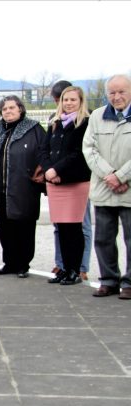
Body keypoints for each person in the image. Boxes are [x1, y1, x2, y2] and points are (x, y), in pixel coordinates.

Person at [0, 95, 46, 278]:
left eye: (11, 108)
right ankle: (9, 262)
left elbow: (43, 154)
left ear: (20, 109)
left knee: (24, 226)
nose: (8, 111)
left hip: (23, 188)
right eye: (4, 109)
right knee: (4, 227)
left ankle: (23, 264)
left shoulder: (34, 129)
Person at [82, 74, 131, 299]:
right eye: (112, 92)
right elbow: (89, 149)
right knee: (103, 239)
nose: (116, 96)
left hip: (127, 189)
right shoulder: (97, 116)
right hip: (104, 189)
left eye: (121, 92)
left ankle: (129, 283)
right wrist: (109, 175)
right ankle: (109, 280)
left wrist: (121, 177)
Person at [38, 86, 91, 285]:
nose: (68, 103)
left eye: (73, 100)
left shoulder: (85, 123)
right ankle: (64, 268)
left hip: (75, 182)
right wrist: (48, 170)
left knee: (73, 228)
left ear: (80, 101)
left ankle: (75, 270)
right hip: (54, 182)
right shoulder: (55, 122)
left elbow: (79, 153)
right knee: (61, 227)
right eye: (65, 100)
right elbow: (44, 149)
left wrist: (57, 170)